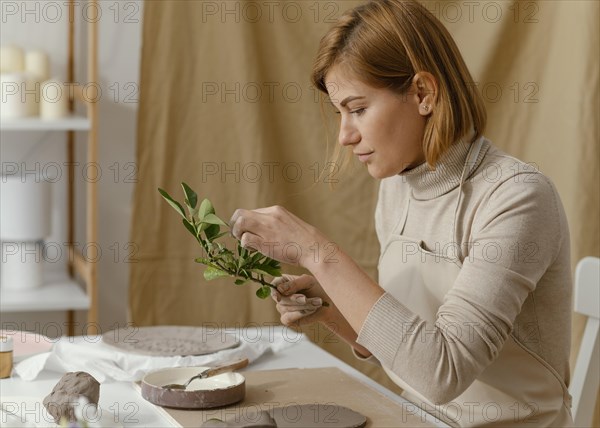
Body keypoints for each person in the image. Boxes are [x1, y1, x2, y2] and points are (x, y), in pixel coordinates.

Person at [229, 1, 573, 426]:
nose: (344, 135)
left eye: (357, 109)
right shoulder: (396, 187)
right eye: (340, 113)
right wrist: (333, 312)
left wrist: (321, 253)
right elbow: (412, 352)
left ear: (423, 94)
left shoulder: (517, 197)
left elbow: (441, 373)